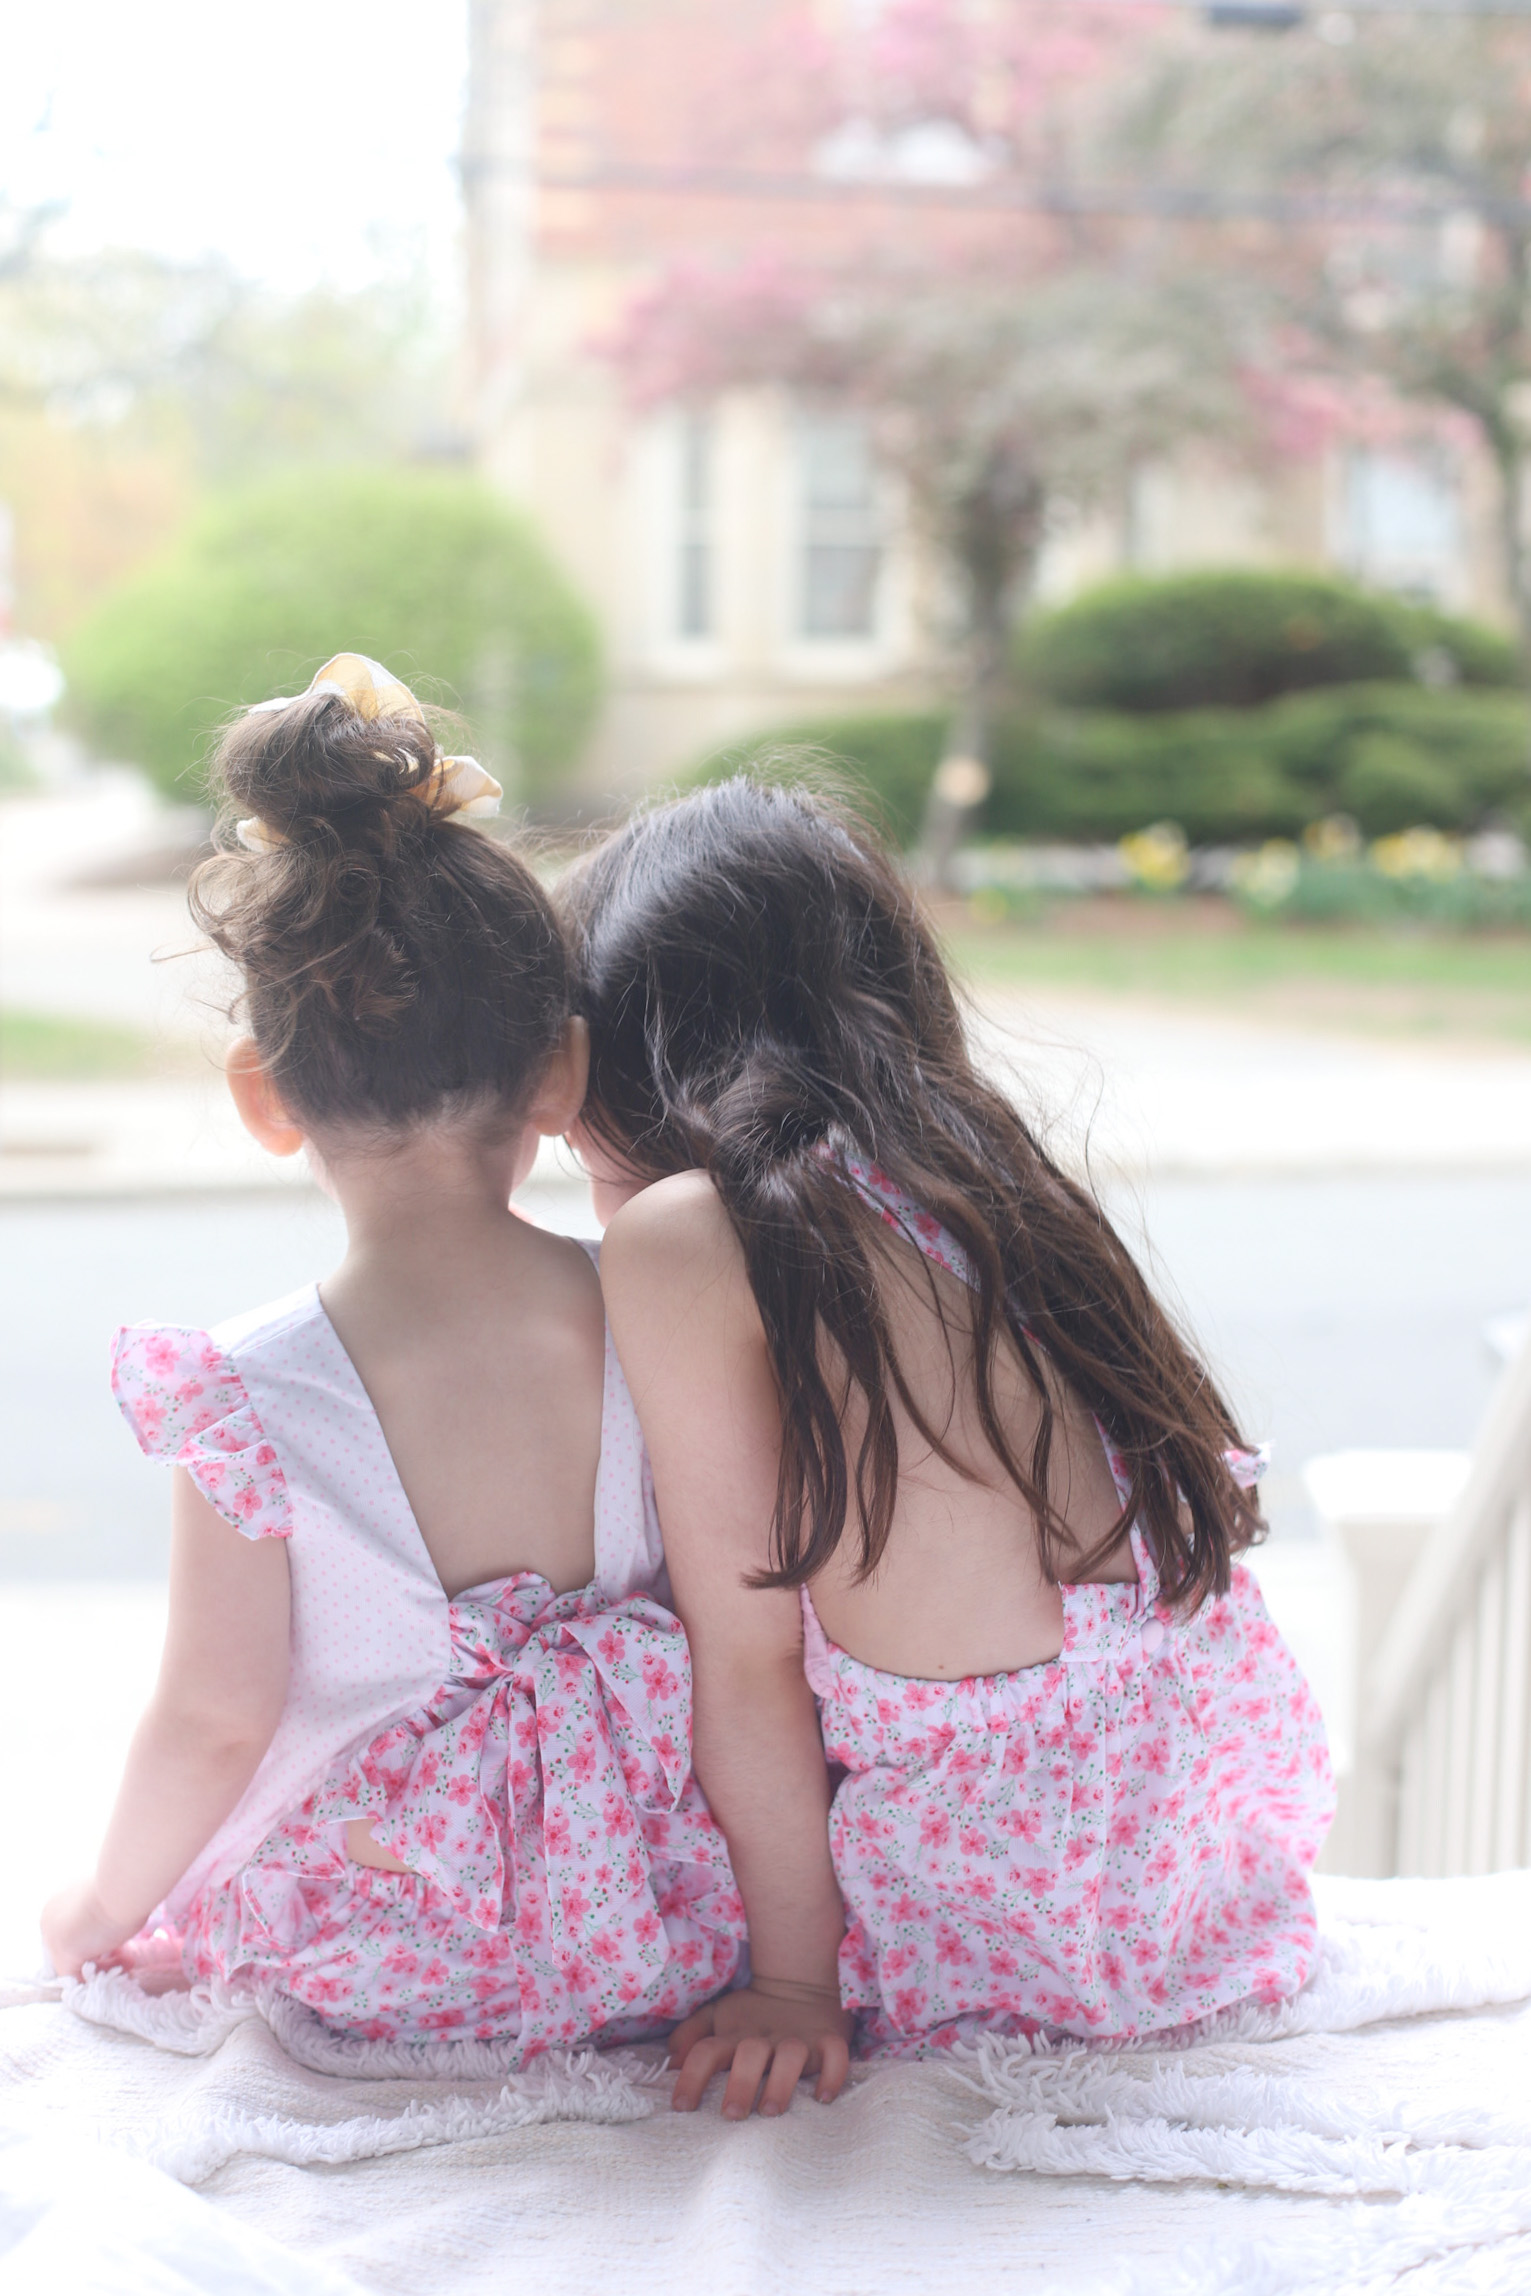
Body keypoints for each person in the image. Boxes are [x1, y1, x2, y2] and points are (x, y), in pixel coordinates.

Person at [563, 775, 1334, 2120]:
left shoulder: (685, 1239)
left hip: (1000, 1916)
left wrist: (796, 1987)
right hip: (1191, 1878)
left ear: (649, 1081)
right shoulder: (982, 1176)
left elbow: (747, 1671)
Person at [40, 657, 744, 2054]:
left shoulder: (245, 1393)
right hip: (659, 1925)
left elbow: (213, 1720)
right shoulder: (650, 1307)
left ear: (266, 1097)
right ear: (560, 1073)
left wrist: (95, 1913)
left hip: (384, 1950)